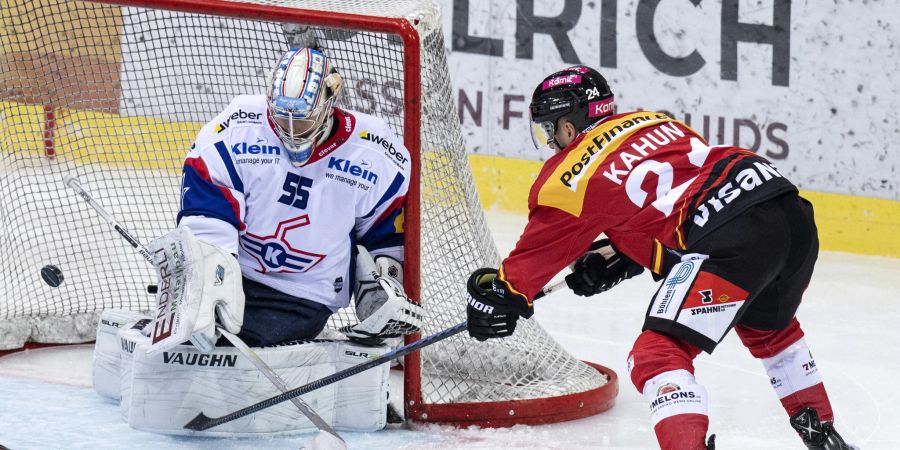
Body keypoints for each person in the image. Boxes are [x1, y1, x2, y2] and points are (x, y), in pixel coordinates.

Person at [464, 65, 856, 450]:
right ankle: (824, 438)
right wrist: (623, 257)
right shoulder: (652, 122)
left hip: (732, 239)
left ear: (568, 126)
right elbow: (672, 205)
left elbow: (517, 281)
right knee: (771, 331)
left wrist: (491, 294)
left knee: (656, 354)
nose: (551, 143)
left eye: (550, 130)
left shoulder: (568, 178)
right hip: (788, 211)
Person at [92, 47, 423, 436]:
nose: (289, 128)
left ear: (330, 103)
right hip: (237, 271)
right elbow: (207, 208)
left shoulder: (376, 154)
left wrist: (382, 286)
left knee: (241, 344)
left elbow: (385, 234)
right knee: (191, 335)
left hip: (305, 293)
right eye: (280, 115)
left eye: (302, 119)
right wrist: (211, 281)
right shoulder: (236, 127)